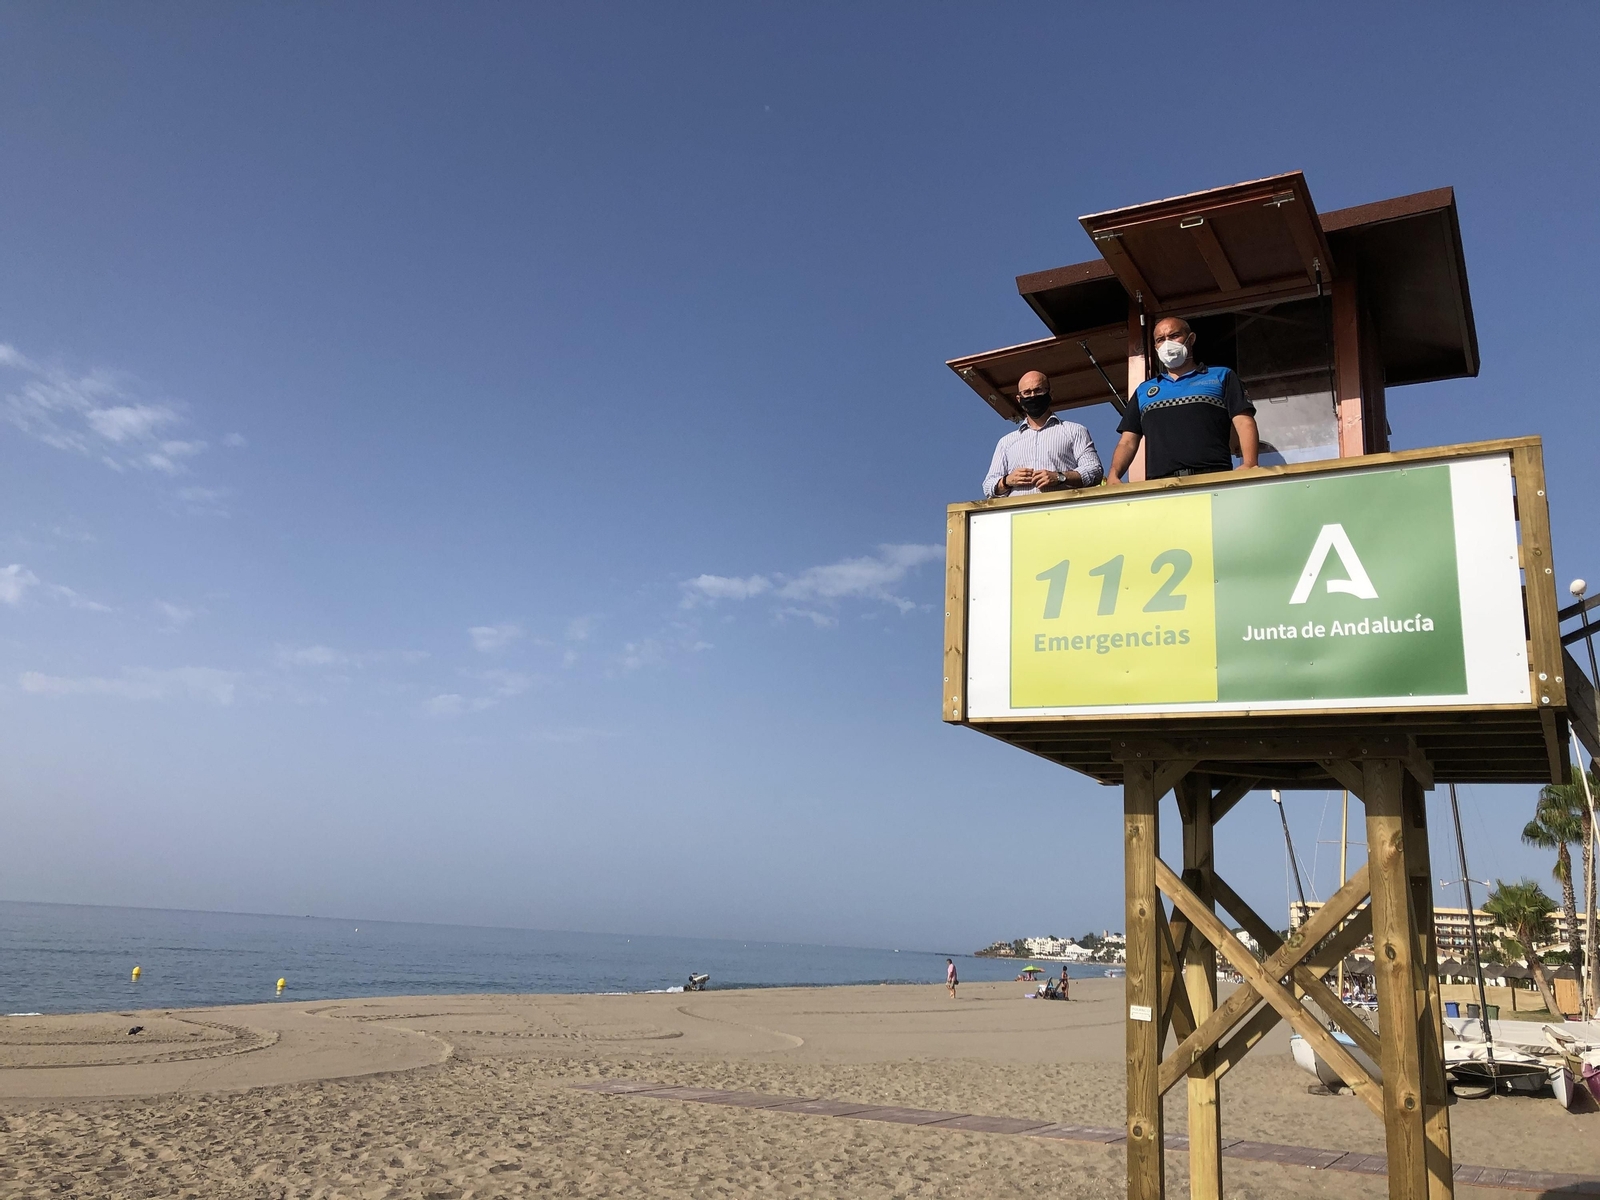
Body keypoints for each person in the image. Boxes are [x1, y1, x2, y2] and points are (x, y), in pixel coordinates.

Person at [1106, 317, 1258, 483]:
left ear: (1190, 339)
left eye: (1174, 336)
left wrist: (1249, 464)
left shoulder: (1222, 376)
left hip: (1215, 479)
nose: (1167, 343)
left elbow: (1244, 422)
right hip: (1161, 485)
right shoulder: (1144, 391)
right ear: (1155, 347)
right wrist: (1114, 474)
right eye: (1160, 340)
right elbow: (1127, 441)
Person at [982, 370, 1103, 499]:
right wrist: (1006, 481)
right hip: (1018, 514)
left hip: (1062, 511)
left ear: (1050, 394)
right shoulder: (1006, 442)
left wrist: (1059, 477)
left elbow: (1094, 470)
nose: (1033, 396)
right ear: (1019, 399)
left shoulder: (1075, 431)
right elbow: (988, 486)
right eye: (1027, 392)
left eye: (1038, 390)